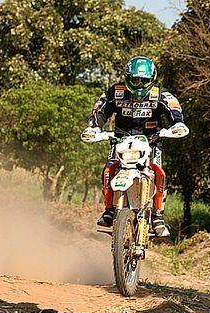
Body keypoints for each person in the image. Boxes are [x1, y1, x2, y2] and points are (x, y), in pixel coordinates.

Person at [81, 56, 189, 237]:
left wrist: (177, 124)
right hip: (121, 141)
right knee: (109, 169)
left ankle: (158, 215)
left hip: (151, 141)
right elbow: (100, 109)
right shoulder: (115, 92)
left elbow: (174, 108)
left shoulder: (159, 93)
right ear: (127, 77)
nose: (139, 85)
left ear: (152, 79)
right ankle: (109, 209)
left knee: (158, 172)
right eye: (135, 80)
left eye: (144, 80)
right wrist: (93, 127)